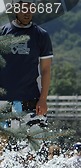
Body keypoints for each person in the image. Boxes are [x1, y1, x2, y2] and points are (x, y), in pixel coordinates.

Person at [0, 0, 53, 128]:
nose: (27, 13)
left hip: (31, 98)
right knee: (2, 143)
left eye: (30, 9)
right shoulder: (2, 32)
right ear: (16, 9)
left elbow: (46, 69)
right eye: (24, 9)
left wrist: (43, 99)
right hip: (3, 99)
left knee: (35, 144)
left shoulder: (41, 35)